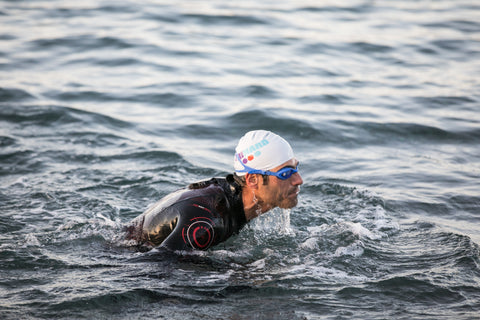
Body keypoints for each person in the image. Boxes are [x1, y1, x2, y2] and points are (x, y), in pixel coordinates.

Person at [124, 130, 303, 252]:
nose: (298, 180)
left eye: (296, 168)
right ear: (252, 180)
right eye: (285, 173)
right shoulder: (208, 220)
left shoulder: (233, 201)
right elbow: (158, 269)